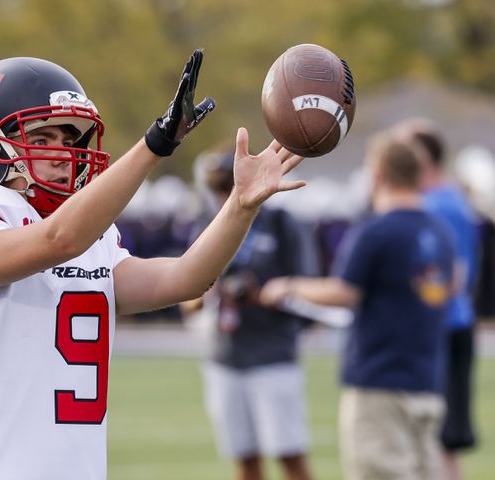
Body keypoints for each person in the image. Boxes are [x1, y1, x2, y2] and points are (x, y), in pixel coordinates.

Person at [0, 51, 307, 480]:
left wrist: (241, 206)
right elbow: (58, 240)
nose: (62, 155)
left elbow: (185, 279)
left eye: (67, 140)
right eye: (41, 140)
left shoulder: (88, 235)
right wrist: (155, 144)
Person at [259, 129, 455, 480]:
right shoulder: (439, 231)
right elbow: (453, 282)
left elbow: (344, 292)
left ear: (378, 174)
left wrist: (288, 286)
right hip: (428, 381)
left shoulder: (376, 230)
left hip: (380, 384)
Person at [183, 150, 317, 480]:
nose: (220, 194)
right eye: (215, 186)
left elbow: (307, 287)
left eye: (226, 185)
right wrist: (209, 290)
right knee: (243, 457)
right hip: (225, 356)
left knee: (290, 454)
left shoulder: (280, 223)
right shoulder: (205, 225)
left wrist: (264, 294)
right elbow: (184, 298)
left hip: (272, 354)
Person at [395, 118, 479, 480]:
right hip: (436, 330)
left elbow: (453, 277)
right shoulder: (439, 201)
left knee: (439, 442)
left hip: (442, 329)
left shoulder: (441, 205)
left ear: (422, 157)